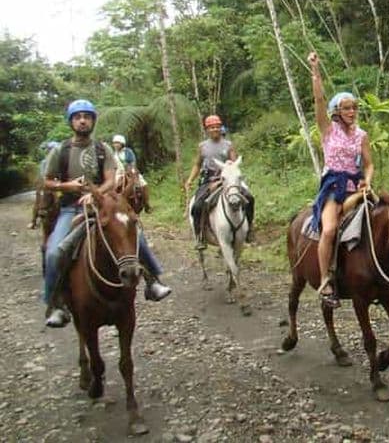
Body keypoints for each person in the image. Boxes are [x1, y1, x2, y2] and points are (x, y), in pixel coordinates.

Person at [42, 99, 172, 328]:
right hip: (70, 207)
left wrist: (95, 194)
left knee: (135, 236)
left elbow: (111, 180)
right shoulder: (60, 151)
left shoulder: (103, 149)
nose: (82, 120)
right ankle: (56, 304)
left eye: (87, 116)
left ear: (93, 121)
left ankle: (153, 281)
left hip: (104, 206)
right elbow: (47, 182)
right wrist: (69, 186)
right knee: (54, 253)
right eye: (77, 117)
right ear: (71, 122)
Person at [307, 51, 374, 308]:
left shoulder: (362, 135)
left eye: (355, 107)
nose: (352, 111)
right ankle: (326, 280)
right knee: (331, 229)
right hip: (334, 188)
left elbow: (368, 164)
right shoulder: (328, 129)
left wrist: (367, 180)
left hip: (356, 185)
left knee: (386, 218)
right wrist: (316, 72)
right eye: (347, 108)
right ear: (337, 111)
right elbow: (319, 100)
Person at [184, 115, 254, 247]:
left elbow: (234, 162)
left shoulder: (228, 145)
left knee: (249, 198)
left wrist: (230, 163)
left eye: (217, 126)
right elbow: (197, 165)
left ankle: (249, 230)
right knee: (197, 206)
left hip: (228, 177)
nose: (215, 129)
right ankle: (200, 236)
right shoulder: (202, 146)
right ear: (207, 130)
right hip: (209, 179)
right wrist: (190, 180)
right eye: (211, 127)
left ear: (221, 127)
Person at [111, 134, 151, 212]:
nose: (115, 145)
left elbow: (133, 162)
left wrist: (130, 170)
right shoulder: (113, 154)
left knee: (143, 183)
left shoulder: (128, 152)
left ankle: (147, 204)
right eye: (114, 143)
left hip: (130, 170)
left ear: (122, 143)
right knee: (113, 185)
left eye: (117, 143)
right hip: (119, 173)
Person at [28, 141, 59, 229]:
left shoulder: (60, 160)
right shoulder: (44, 162)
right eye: (50, 150)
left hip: (56, 182)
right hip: (45, 184)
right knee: (39, 200)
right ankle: (34, 220)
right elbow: (43, 175)